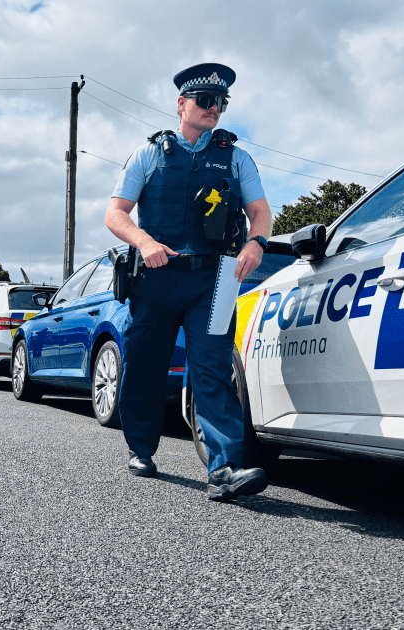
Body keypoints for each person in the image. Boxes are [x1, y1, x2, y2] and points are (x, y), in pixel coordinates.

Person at [104, 63, 274, 501]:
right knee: (143, 368)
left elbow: (260, 211)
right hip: (156, 281)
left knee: (212, 372)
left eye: (221, 103)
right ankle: (140, 449)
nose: (214, 108)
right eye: (205, 101)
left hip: (213, 283)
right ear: (182, 105)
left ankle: (225, 468)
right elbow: (115, 213)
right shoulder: (148, 154)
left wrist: (255, 244)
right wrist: (144, 242)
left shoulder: (236, 157)